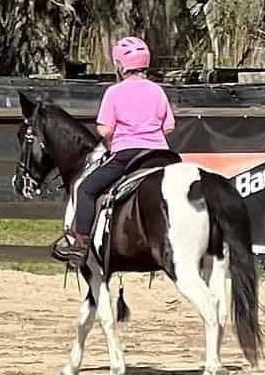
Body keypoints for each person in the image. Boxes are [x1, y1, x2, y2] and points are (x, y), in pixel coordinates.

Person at [53, 36, 175, 264]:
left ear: (120, 65)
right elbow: (168, 127)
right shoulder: (157, 91)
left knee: (86, 189)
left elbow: (105, 130)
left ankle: (80, 246)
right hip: (161, 155)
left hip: (128, 155)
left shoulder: (114, 92)